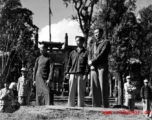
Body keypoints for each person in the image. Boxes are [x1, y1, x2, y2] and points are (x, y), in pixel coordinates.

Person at [88, 28, 111, 107]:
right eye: (95, 33)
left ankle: (105, 105)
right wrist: (89, 62)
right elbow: (89, 54)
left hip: (102, 65)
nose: (96, 34)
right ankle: (96, 105)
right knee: (94, 86)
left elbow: (103, 54)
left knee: (103, 85)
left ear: (102, 33)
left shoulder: (106, 42)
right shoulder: (93, 45)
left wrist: (92, 61)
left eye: (98, 32)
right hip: (93, 67)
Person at [65, 36, 89, 107]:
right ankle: (70, 105)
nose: (77, 42)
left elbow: (87, 65)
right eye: (76, 41)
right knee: (71, 91)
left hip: (81, 74)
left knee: (80, 91)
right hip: (72, 74)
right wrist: (67, 73)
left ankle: (80, 106)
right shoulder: (72, 52)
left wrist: (86, 74)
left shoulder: (86, 52)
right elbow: (69, 63)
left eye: (78, 40)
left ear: (82, 42)